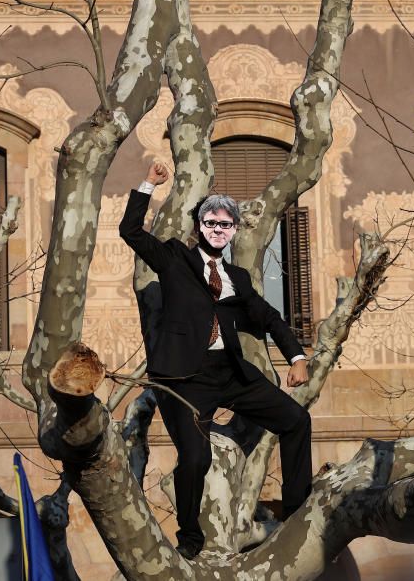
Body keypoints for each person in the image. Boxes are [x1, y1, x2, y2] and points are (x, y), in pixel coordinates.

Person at [119, 161, 312, 559]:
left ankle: (296, 511)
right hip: (183, 379)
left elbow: (269, 317)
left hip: (231, 373)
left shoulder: (237, 279)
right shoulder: (174, 259)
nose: (218, 229)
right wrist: (148, 186)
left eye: (226, 224)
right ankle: (189, 536)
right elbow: (131, 232)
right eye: (211, 222)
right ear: (198, 227)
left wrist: (296, 357)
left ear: (234, 231)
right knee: (196, 457)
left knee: (297, 420)